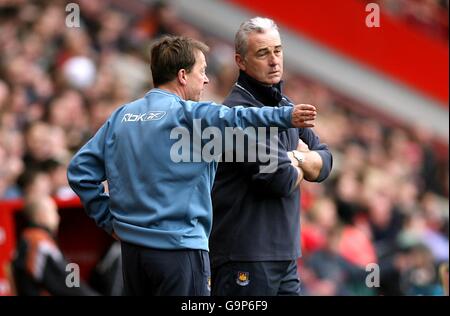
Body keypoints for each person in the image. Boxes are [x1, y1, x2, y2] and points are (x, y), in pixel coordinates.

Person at [67, 35, 318, 296]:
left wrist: (108, 220)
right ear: (183, 75)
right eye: (203, 71)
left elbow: (80, 171)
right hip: (179, 251)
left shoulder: (122, 116)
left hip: (132, 253)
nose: (207, 79)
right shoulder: (190, 116)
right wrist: (285, 115)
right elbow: (238, 116)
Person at [210, 17, 333, 296]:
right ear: (240, 61)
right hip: (243, 257)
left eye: (277, 50)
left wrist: (294, 158)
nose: (274, 61)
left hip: (286, 256)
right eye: (263, 53)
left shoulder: (288, 107)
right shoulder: (235, 114)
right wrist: (303, 158)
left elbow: (326, 162)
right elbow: (279, 178)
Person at [12, 195, 98, 296]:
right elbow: (67, 282)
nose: (58, 217)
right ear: (41, 215)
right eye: (53, 211)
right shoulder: (40, 243)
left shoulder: (28, 236)